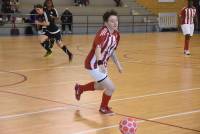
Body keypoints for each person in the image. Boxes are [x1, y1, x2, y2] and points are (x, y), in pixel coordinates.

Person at [74, 10, 122, 115]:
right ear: (106, 23)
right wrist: (100, 63)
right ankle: (103, 108)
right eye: (112, 21)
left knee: (101, 86)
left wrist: (118, 64)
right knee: (111, 88)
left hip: (102, 64)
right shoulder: (102, 33)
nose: (115, 23)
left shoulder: (117, 35)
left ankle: (80, 88)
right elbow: (98, 48)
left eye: (116, 20)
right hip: (94, 64)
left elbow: (111, 51)